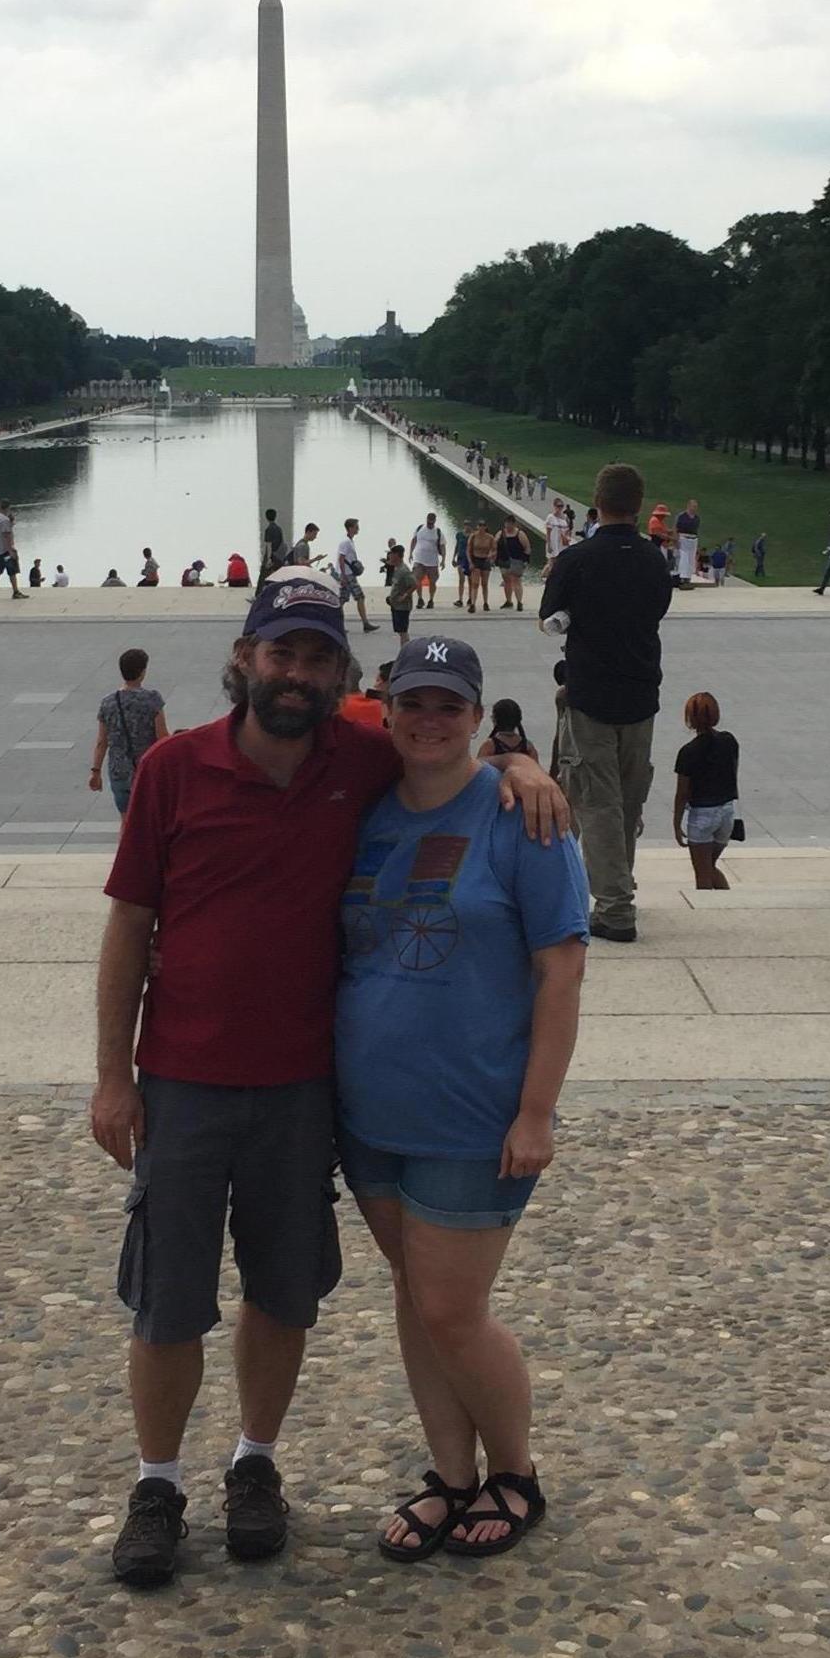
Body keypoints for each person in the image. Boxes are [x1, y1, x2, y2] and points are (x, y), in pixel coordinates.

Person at [90, 570, 567, 1591]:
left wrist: (518, 761)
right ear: (244, 656)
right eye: (281, 652)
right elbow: (128, 926)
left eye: (316, 657)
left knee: (282, 1292)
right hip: (185, 1076)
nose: (296, 672)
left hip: (306, 1085)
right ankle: (157, 1482)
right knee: (167, 1299)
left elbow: (449, 740)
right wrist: (109, 1076)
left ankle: (256, 1462)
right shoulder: (176, 767)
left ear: (339, 676)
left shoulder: (355, 756)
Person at [336, 635, 588, 1561]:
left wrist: (536, 1112)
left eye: (450, 706)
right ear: (387, 706)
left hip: (473, 1109)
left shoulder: (525, 817)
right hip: (370, 1110)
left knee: (451, 1308)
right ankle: (450, 1475)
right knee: (415, 1294)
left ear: (478, 718)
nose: (429, 721)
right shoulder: (364, 808)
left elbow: (560, 969)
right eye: (415, 703)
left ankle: (513, 1471)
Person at [539, 463, 671, 944]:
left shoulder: (577, 560)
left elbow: (549, 617)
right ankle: (620, 885)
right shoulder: (654, 560)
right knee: (628, 797)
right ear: (639, 505)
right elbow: (654, 612)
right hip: (640, 691)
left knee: (597, 802)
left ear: (596, 501)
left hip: (590, 691)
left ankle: (615, 908)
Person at [672, 692, 740, 890]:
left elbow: (682, 793)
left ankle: (710, 909)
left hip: (702, 814)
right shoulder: (729, 741)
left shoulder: (688, 751)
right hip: (726, 811)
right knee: (709, 866)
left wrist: (676, 824)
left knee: (702, 874)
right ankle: (727, 903)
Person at [89, 648, 167, 816]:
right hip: (146, 769)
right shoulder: (152, 699)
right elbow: (162, 737)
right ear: (142, 672)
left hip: (119, 771)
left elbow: (102, 742)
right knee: (149, 820)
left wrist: (95, 772)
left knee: (126, 821)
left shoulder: (108, 702)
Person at [333, 519, 376, 633]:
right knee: (360, 597)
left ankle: (337, 624)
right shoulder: (345, 542)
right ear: (350, 528)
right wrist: (343, 575)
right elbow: (341, 559)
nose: (358, 529)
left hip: (347, 574)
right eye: (356, 527)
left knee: (342, 599)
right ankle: (365, 623)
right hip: (347, 574)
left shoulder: (349, 541)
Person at [0, 501, 23, 599]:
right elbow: (6, 535)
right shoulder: (5, 520)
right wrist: (10, 550)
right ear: (8, 508)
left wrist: (11, 522)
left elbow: (5, 529)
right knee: (12, 571)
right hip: (6, 551)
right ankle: (16, 592)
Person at [384, 541, 418, 647]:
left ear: (397, 556)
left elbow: (414, 584)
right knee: (399, 631)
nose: (390, 556)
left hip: (402, 606)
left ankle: (406, 651)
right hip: (395, 605)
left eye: (392, 555)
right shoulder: (396, 568)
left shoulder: (404, 571)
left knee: (403, 632)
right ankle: (404, 649)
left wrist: (405, 596)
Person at [410, 514, 444, 607]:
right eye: (428, 521)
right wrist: (410, 553)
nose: (430, 523)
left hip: (432, 561)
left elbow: (442, 546)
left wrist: (443, 560)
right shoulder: (420, 529)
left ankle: (431, 599)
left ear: (435, 521)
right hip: (419, 559)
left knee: (432, 581)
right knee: (417, 579)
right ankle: (420, 599)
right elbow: (413, 540)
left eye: (431, 522)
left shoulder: (438, 532)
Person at [496, 518, 530, 611]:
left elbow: (527, 547)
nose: (508, 526)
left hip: (517, 560)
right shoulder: (500, 533)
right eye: (506, 523)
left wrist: (525, 560)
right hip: (503, 560)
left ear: (514, 524)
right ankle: (508, 601)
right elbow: (494, 545)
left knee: (516, 580)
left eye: (510, 524)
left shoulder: (520, 534)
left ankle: (519, 602)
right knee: (506, 581)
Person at [466, 517, 496, 613]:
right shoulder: (473, 536)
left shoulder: (490, 537)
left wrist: (491, 556)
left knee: (485, 583)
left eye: (483, 526)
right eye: (480, 526)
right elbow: (468, 550)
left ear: (486, 527)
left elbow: (494, 549)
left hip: (485, 559)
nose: (481, 528)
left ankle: (485, 602)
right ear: (477, 527)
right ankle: (473, 603)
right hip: (476, 559)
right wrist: (470, 562)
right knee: (475, 583)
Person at [674, 499, 701, 586]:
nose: (694, 508)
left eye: (696, 507)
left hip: (693, 538)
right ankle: (682, 576)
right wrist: (676, 539)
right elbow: (676, 528)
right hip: (683, 537)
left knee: (691, 558)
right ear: (688, 506)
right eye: (693, 506)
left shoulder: (697, 518)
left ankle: (688, 577)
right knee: (684, 558)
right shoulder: (682, 516)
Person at [259, 507, 286, 579]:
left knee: (268, 575)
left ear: (266, 517)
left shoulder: (268, 529)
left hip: (273, 555)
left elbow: (269, 545)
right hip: (279, 555)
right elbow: (282, 542)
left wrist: (268, 559)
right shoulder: (279, 528)